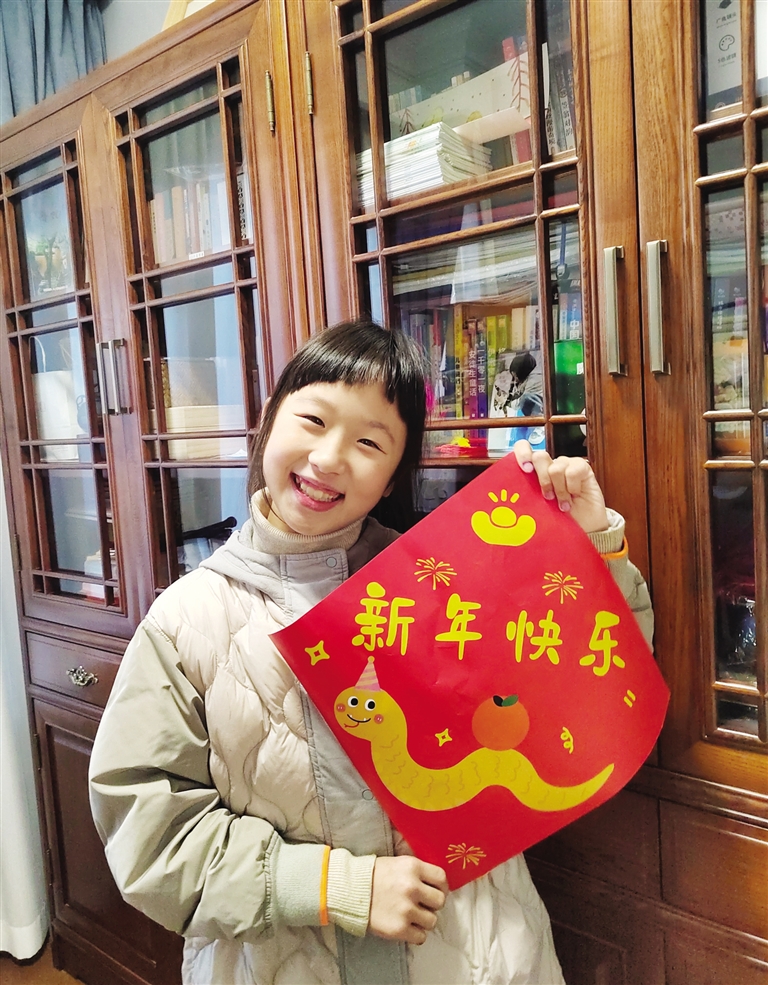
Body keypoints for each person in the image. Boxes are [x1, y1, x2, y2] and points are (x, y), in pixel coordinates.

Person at [89, 319, 653, 985]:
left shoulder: (447, 580)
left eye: (368, 442)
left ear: (391, 478)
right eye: (313, 419)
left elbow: (597, 694)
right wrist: (335, 886)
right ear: (268, 420)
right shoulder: (184, 620)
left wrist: (590, 544)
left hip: (481, 956)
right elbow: (150, 835)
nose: (330, 458)